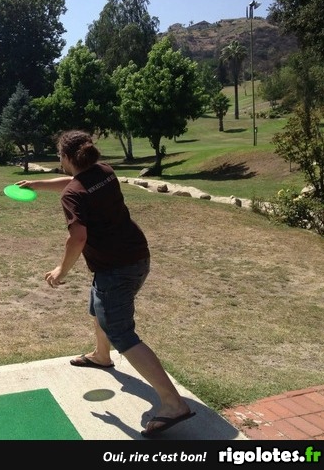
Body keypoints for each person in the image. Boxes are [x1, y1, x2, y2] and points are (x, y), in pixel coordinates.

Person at [16, 129, 195, 438]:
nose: (59, 160)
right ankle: (101, 356)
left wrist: (61, 270)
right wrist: (36, 185)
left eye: (59, 155)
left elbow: (77, 237)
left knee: (121, 332)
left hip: (116, 268)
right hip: (136, 256)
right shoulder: (104, 172)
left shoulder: (73, 195)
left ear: (68, 157)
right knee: (99, 306)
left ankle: (173, 403)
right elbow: (74, 182)